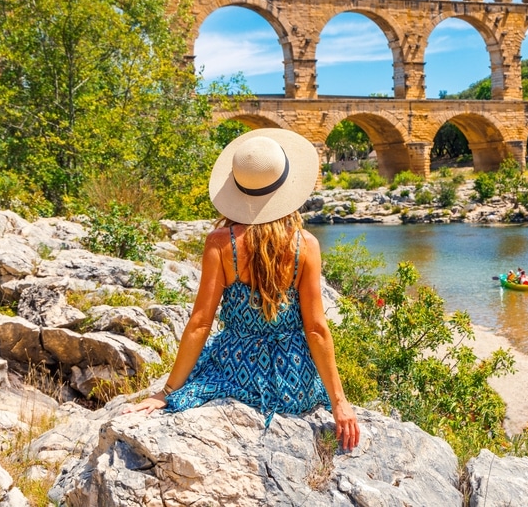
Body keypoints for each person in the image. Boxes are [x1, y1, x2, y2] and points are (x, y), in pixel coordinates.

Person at [125, 128, 360, 451]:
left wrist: (165, 392)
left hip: (235, 370)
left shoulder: (221, 244)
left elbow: (200, 323)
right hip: (293, 379)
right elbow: (316, 329)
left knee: (198, 383)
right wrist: (340, 403)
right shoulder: (306, 245)